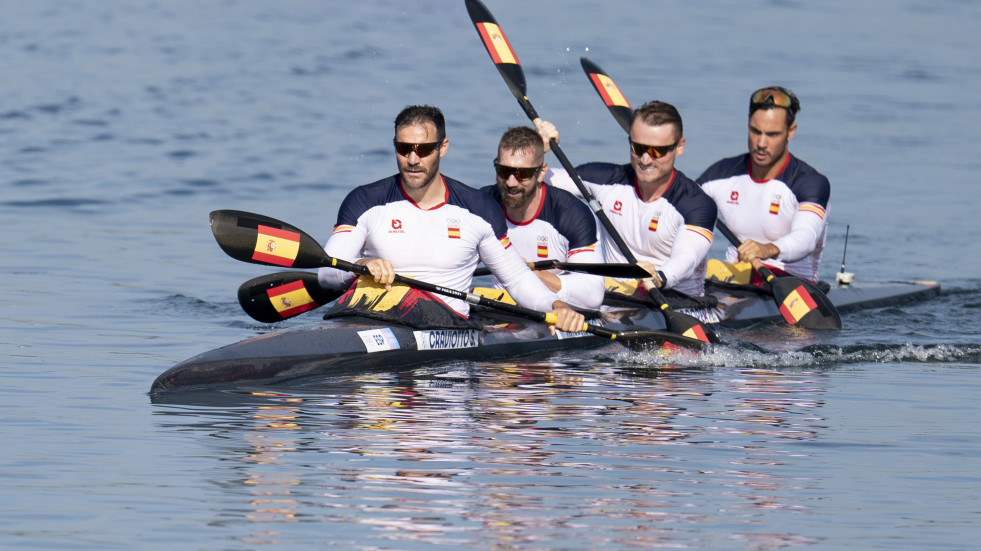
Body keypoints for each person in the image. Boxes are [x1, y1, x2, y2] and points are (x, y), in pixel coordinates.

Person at [317, 105, 585, 334]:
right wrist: (360, 264)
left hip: (442, 324)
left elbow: (516, 279)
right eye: (404, 148)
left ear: (443, 148)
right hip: (369, 315)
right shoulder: (365, 200)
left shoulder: (479, 209)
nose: (412, 159)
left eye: (423, 150)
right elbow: (327, 272)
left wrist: (556, 307)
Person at [541, 100, 718, 297]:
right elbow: (535, 183)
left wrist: (660, 276)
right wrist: (537, 150)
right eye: (638, 147)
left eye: (656, 151)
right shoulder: (606, 179)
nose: (645, 160)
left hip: (677, 303)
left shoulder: (696, 204)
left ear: (679, 147)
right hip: (616, 300)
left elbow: (688, 258)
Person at [697, 86, 830, 284]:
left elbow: (806, 238)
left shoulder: (810, 183)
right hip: (731, 282)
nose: (761, 143)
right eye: (755, 131)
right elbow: (676, 211)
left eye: (772, 134)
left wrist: (767, 249)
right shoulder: (720, 175)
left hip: (791, 286)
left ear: (790, 132)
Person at [481, 126, 605, 311]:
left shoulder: (570, 214)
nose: (511, 183)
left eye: (522, 174)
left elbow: (593, 294)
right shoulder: (482, 205)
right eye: (504, 171)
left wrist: (522, 273)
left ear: (541, 172)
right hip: (501, 308)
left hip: (558, 309)